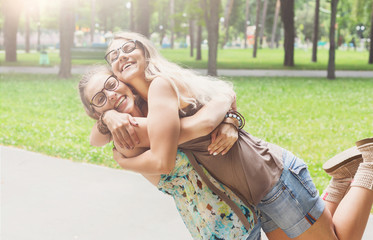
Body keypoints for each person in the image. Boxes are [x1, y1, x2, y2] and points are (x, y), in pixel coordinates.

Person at [97, 31, 373, 240]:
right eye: (113, 56)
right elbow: (95, 137)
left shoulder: (161, 86)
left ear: (144, 51)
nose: (120, 56)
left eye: (127, 48)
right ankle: (341, 179)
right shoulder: (139, 109)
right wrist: (108, 116)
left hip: (271, 178)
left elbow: (205, 119)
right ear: (112, 73)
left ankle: (369, 165)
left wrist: (123, 161)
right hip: (248, 193)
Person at [78, 66, 260, 239]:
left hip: (243, 198)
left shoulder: (153, 103)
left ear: (122, 83)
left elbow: (214, 95)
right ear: (95, 113)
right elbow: (202, 124)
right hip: (224, 223)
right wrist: (107, 119)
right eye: (100, 99)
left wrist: (231, 118)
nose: (110, 95)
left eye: (111, 85)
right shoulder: (127, 136)